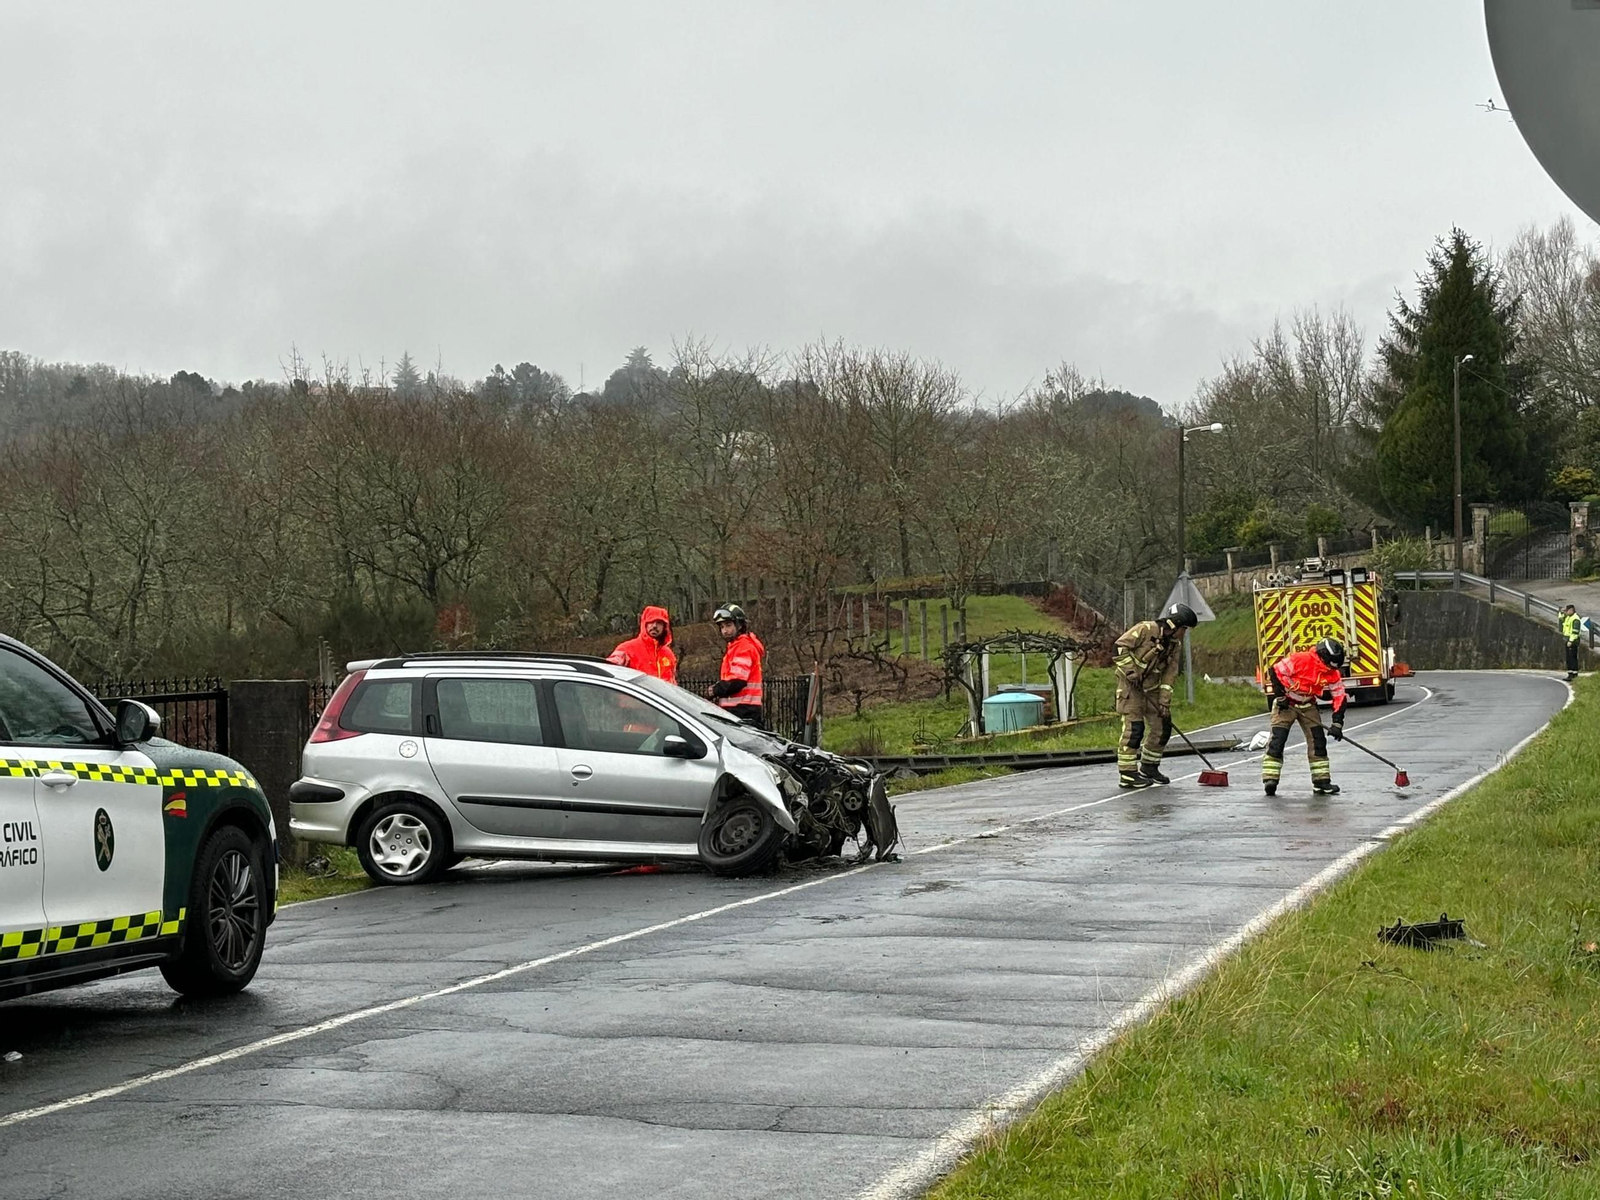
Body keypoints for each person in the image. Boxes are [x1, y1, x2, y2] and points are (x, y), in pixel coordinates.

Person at [1112, 602, 1198, 788]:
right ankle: (1128, 773)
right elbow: (1119, 648)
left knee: (1163, 727)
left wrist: (1164, 701)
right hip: (1131, 688)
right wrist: (1130, 672)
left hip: (1152, 689)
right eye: (1184, 629)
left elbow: (1170, 673)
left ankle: (1149, 767)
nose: (1184, 633)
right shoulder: (1145, 629)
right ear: (1175, 624)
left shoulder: (1174, 645)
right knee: (1135, 729)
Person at [1262, 637, 1347, 797]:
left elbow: (1339, 696)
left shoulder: (1332, 673)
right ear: (1323, 657)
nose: (1331, 669)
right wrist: (1280, 696)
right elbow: (1275, 671)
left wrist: (1337, 723)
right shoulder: (1300, 660)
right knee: (1278, 739)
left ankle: (1321, 782)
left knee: (1318, 741)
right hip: (1287, 704)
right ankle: (1270, 779)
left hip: (1308, 705)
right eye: (1330, 665)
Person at [705, 603, 764, 723]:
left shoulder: (743, 647)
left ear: (739, 625)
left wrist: (714, 690)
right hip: (741, 709)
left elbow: (736, 681)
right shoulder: (735, 647)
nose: (725, 631)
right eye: (722, 627)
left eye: (728, 625)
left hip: (742, 711)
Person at [606, 605, 677, 683]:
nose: (654, 626)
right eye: (651, 621)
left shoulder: (668, 655)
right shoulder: (626, 650)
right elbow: (608, 672)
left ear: (665, 627)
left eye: (659, 623)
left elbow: (673, 684)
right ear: (644, 624)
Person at [1561, 603, 1582, 681]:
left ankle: (1574, 674)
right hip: (1568, 640)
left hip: (1572, 641)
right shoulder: (1568, 617)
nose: (1566, 612)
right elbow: (1561, 619)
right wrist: (1561, 612)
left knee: (1572, 658)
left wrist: (1571, 641)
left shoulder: (1575, 619)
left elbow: (1575, 632)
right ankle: (1570, 674)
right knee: (1568, 658)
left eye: (1567, 611)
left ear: (1571, 610)